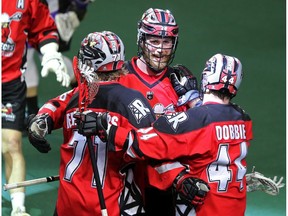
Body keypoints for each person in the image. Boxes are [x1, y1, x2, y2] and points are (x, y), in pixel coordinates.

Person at [26, 31, 208, 216]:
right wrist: (180, 178)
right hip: (109, 205)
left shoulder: (76, 96)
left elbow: (54, 105)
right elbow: (153, 147)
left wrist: (41, 120)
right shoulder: (132, 102)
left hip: (67, 205)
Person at [81, 53, 253, 216]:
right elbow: (214, 121)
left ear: (206, 77)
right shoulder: (244, 119)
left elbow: (143, 144)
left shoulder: (195, 121)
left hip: (205, 209)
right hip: (235, 207)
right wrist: (193, 98)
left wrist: (109, 129)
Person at [118, 8, 200, 215]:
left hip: (169, 187)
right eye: (154, 41)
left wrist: (195, 102)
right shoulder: (120, 78)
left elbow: (203, 131)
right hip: (126, 182)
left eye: (167, 42)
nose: (161, 50)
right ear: (141, 39)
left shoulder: (181, 83)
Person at [1, 0, 70, 215]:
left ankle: (18, 207)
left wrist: (50, 53)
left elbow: (44, 27)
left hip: (9, 84)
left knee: (11, 143)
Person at [24, 0, 93, 118]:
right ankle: (88, 93)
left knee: (31, 56)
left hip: (43, 13)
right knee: (34, 56)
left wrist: (78, 8)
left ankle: (31, 112)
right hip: (33, 11)